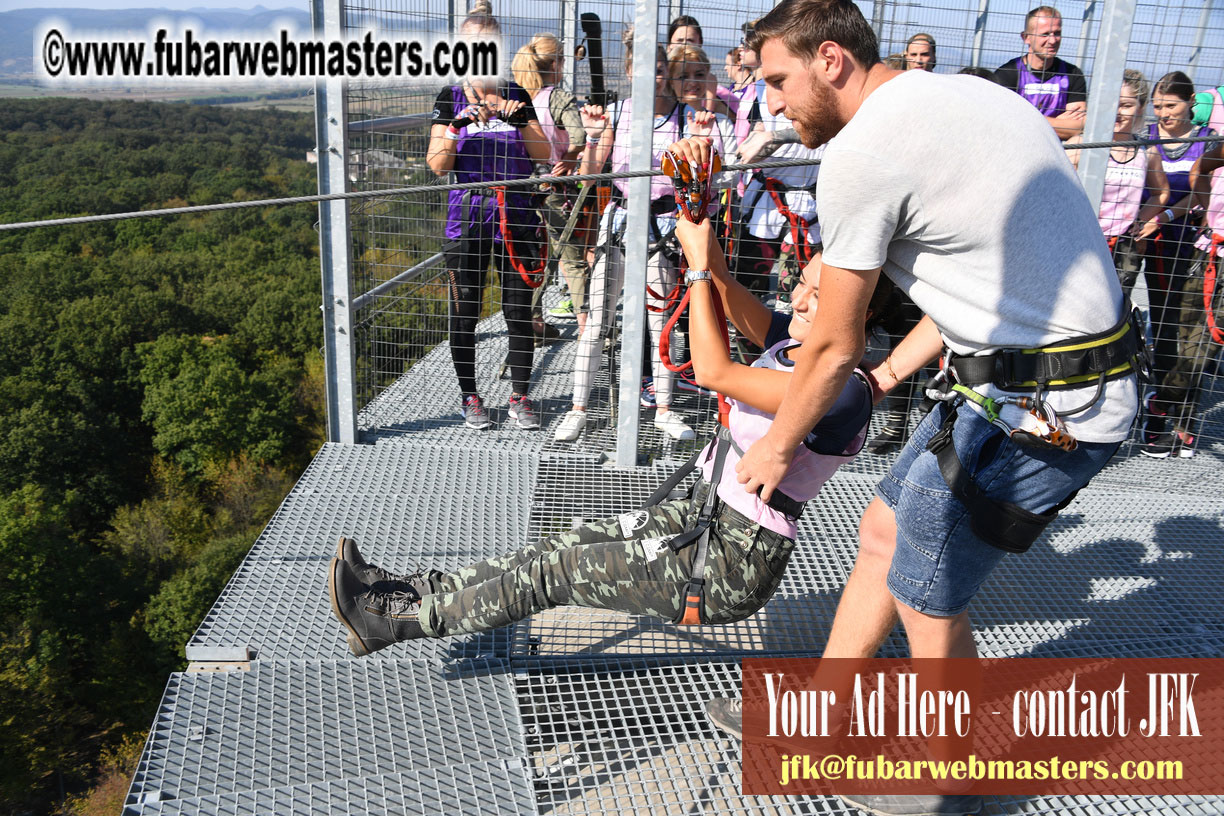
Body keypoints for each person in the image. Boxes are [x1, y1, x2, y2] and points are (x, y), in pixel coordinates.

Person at [681, 3, 1140, 814]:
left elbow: (828, 345)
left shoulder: (862, 153)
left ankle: (950, 784)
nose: (775, 103)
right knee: (886, 533)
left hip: (1041, 404)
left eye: (780, 80)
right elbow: (985, 270)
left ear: (831, 59)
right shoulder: (964, 96)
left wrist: (778, 449)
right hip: (1033, 379)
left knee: (928, 593)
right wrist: (892, 377)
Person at [326, 234, 893, 654]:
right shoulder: (798, 346)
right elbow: (727, 291)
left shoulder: (840, 394)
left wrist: (696, 272)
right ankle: (409, 591)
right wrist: (701, 235)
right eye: (803, 284)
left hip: (727, 559)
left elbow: (715, 369)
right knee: (553, 548)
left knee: (560, 573)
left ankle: (397, 622)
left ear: (858, 314)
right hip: (699, 514)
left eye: (818, 297)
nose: (796, 299)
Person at [551, 39, 718, 443]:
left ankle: (663, 409)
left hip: (662, 225)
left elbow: (704, 183)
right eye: (643, 70)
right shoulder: (617, 113)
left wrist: (702, 146)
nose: (653, 77)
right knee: (595, 320)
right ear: (629, 73)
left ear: (667, 73)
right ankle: (578, 408)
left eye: (659, 69)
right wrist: (593, 136)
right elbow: (590, 176)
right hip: (622, 221)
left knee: (659, 322)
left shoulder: (686, 119)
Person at [426, 3, 552, 431]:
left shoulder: (516, 93)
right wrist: (457, 126)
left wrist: (515, 120)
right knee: (465, 313)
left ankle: (520, 396)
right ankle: (470, 397)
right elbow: (438, 165)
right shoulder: (450, 97)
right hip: (468, 219)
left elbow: (543, 154)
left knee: (517, 310)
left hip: (514, 215)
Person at [1140, 71, 1217, 458]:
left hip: (1196, 242)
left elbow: (1204, 194)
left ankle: (1185, 419)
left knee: (1199, 335)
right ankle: (1157, 418)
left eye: (1171, 105)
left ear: (1190, 104)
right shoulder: (1147, 138)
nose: (1163, 113)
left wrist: (1168, 214)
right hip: (1159, 247)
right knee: (1167, 327)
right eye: (1157, 106)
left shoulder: (1206, 141)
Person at [511, 34, 591, 332]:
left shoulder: (519, 96)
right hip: (554, 185)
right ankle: (586, 326)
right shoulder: (557, 97)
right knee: (571, 256)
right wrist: (569, 158)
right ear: (556, 63)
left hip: (523, 185)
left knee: (535, 256)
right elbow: (579, 137)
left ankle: (533, 320)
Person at [1066, 69, 1170, 300]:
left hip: (1124, 248)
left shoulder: (1147, 152)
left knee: (1114, 307)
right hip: (1083, 241)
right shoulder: (1084, 144)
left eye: (1126, 105)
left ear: (1141, 107)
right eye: (1113, 103)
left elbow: (1161, 193)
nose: (1117, 111)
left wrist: (1142, 221)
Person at [994, 6, 1087, 139]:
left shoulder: (1072, 73)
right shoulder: (1007, 74)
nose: (1052, 40)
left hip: (1060, 150)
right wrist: (1059, 123)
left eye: (1057, 33)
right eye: (1045, 34)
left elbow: (1078, 126)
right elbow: (1004, 122)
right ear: (1026, 37)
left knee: (1079, 141)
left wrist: (1027, 120)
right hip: (1017, 144)